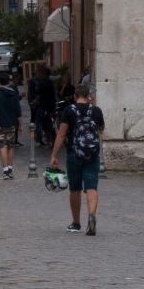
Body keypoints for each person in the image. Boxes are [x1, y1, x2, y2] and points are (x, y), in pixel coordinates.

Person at [47, 77, 106, 236]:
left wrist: (54, 155)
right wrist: (93, 105)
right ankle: (92, 216)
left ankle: (76, 223)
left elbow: (61, 134)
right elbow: (101, 128)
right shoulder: (96, 110)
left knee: (75, 189)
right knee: (92, 187)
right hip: (92, 154)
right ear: (88, 95)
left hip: (74, 153)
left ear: (74, 95)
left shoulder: (68, 111)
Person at [0, 70, 24, 180]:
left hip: (0, 124)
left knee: (2, 146)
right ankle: (10, 169)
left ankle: (5, 171)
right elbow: (18, 111)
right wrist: (21, 124)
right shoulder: (14, 94)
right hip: (12, 124)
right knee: (10, 146)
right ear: (8, 82)